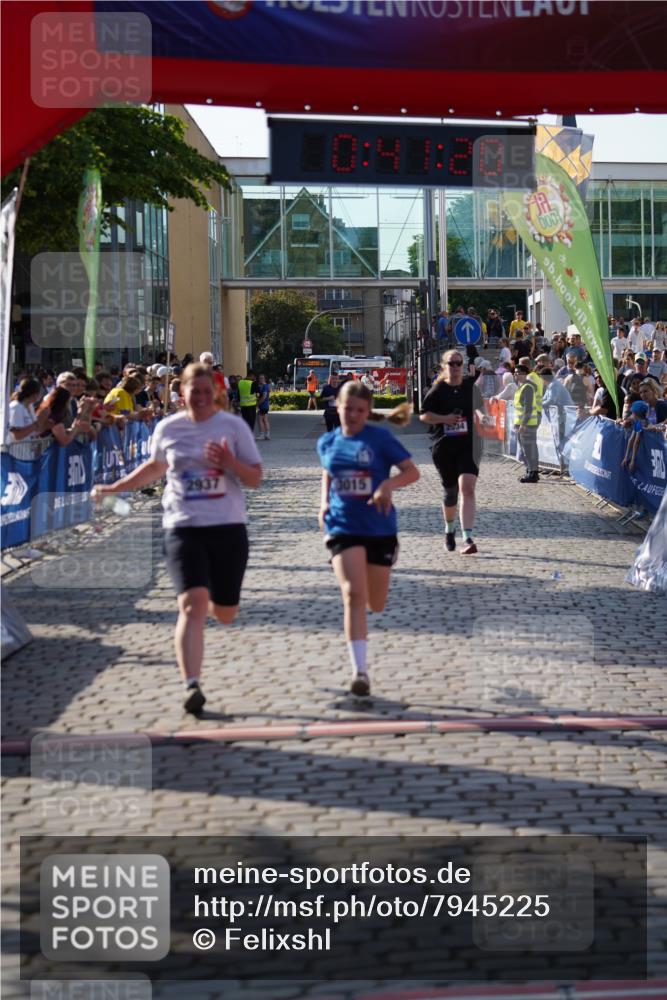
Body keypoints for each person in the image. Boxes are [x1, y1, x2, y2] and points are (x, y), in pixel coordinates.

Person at [93, 363, 262, 714]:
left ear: (214, 393)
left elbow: (255, 478)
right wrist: (115, 488)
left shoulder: (232, 427)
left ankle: (219, 602)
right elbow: (155, 467)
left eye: (205, 392)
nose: (199, 398)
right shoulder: (169, 428)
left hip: (227, 527)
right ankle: (191, 685)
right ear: (181, 392)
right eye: (193, 391)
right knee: (191, 604)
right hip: (183, 526)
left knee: (226, 613)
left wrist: (230, 461)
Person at [317, 380, 419, 697]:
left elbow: (411, 472)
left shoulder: (380, 438)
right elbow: (329, 473)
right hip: (342, 526)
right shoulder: (328, 441)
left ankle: (390, 554)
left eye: (360, 411)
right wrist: (323, 502)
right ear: (338, 406)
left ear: (367, 411)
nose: (353, 416)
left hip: (379, 527)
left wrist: (388, 486)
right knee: (353, 595)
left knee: (376, 602)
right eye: (347, 409)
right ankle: (359, 671)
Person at [420, 348, 484, 554]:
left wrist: (483, 417)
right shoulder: (438, 389)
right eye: (451, 363)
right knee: (451, 493)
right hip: (445, 446)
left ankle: (467, 537)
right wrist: (444, 419)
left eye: (459, 363)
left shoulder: (470, 387)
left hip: (469, 444)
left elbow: (479, 409)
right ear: (444, 367)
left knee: (467, 486)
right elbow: (424, 415)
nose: (456, 367)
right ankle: (449, 530)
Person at [513, 364, 541, 483]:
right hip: (522, 423)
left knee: (529, 449)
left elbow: (528, 408)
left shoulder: (527, 387)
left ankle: (532, 474)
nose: (516, 374)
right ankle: (531, 471)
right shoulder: (522, 386)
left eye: (518, 372)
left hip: (527, 424)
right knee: (527, 449)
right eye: (515, 372)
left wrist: (523, 424)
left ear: (525, 374)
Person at [8, 377, 54, 442]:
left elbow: (34, 431)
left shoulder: (30, 406)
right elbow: (17, 436)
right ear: (35, 394)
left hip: (28, 450)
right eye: (40, 392)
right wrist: (38, 422)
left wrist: (46, 426)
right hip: (15, 451)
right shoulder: (16, 407)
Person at [256, 374, 271, 440]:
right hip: (265, 405)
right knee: (265, 419)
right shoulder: (265, 386)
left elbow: (264, 397)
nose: (260, 379)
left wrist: (257, 404)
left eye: (262, 378)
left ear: (265, 379)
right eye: (259, 378)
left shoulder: (265, 386)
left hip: (263, 405)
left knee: (260, 420)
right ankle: (267, 434)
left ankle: (262, 434)